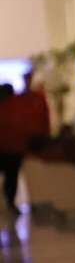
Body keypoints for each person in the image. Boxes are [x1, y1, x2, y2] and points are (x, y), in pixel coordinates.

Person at [0, 83, 22, 218]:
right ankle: (10, 203)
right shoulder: (16, 108)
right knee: (12, 179)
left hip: (7, 149)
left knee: (11, 178)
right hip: (13, 150)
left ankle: (9, 203)